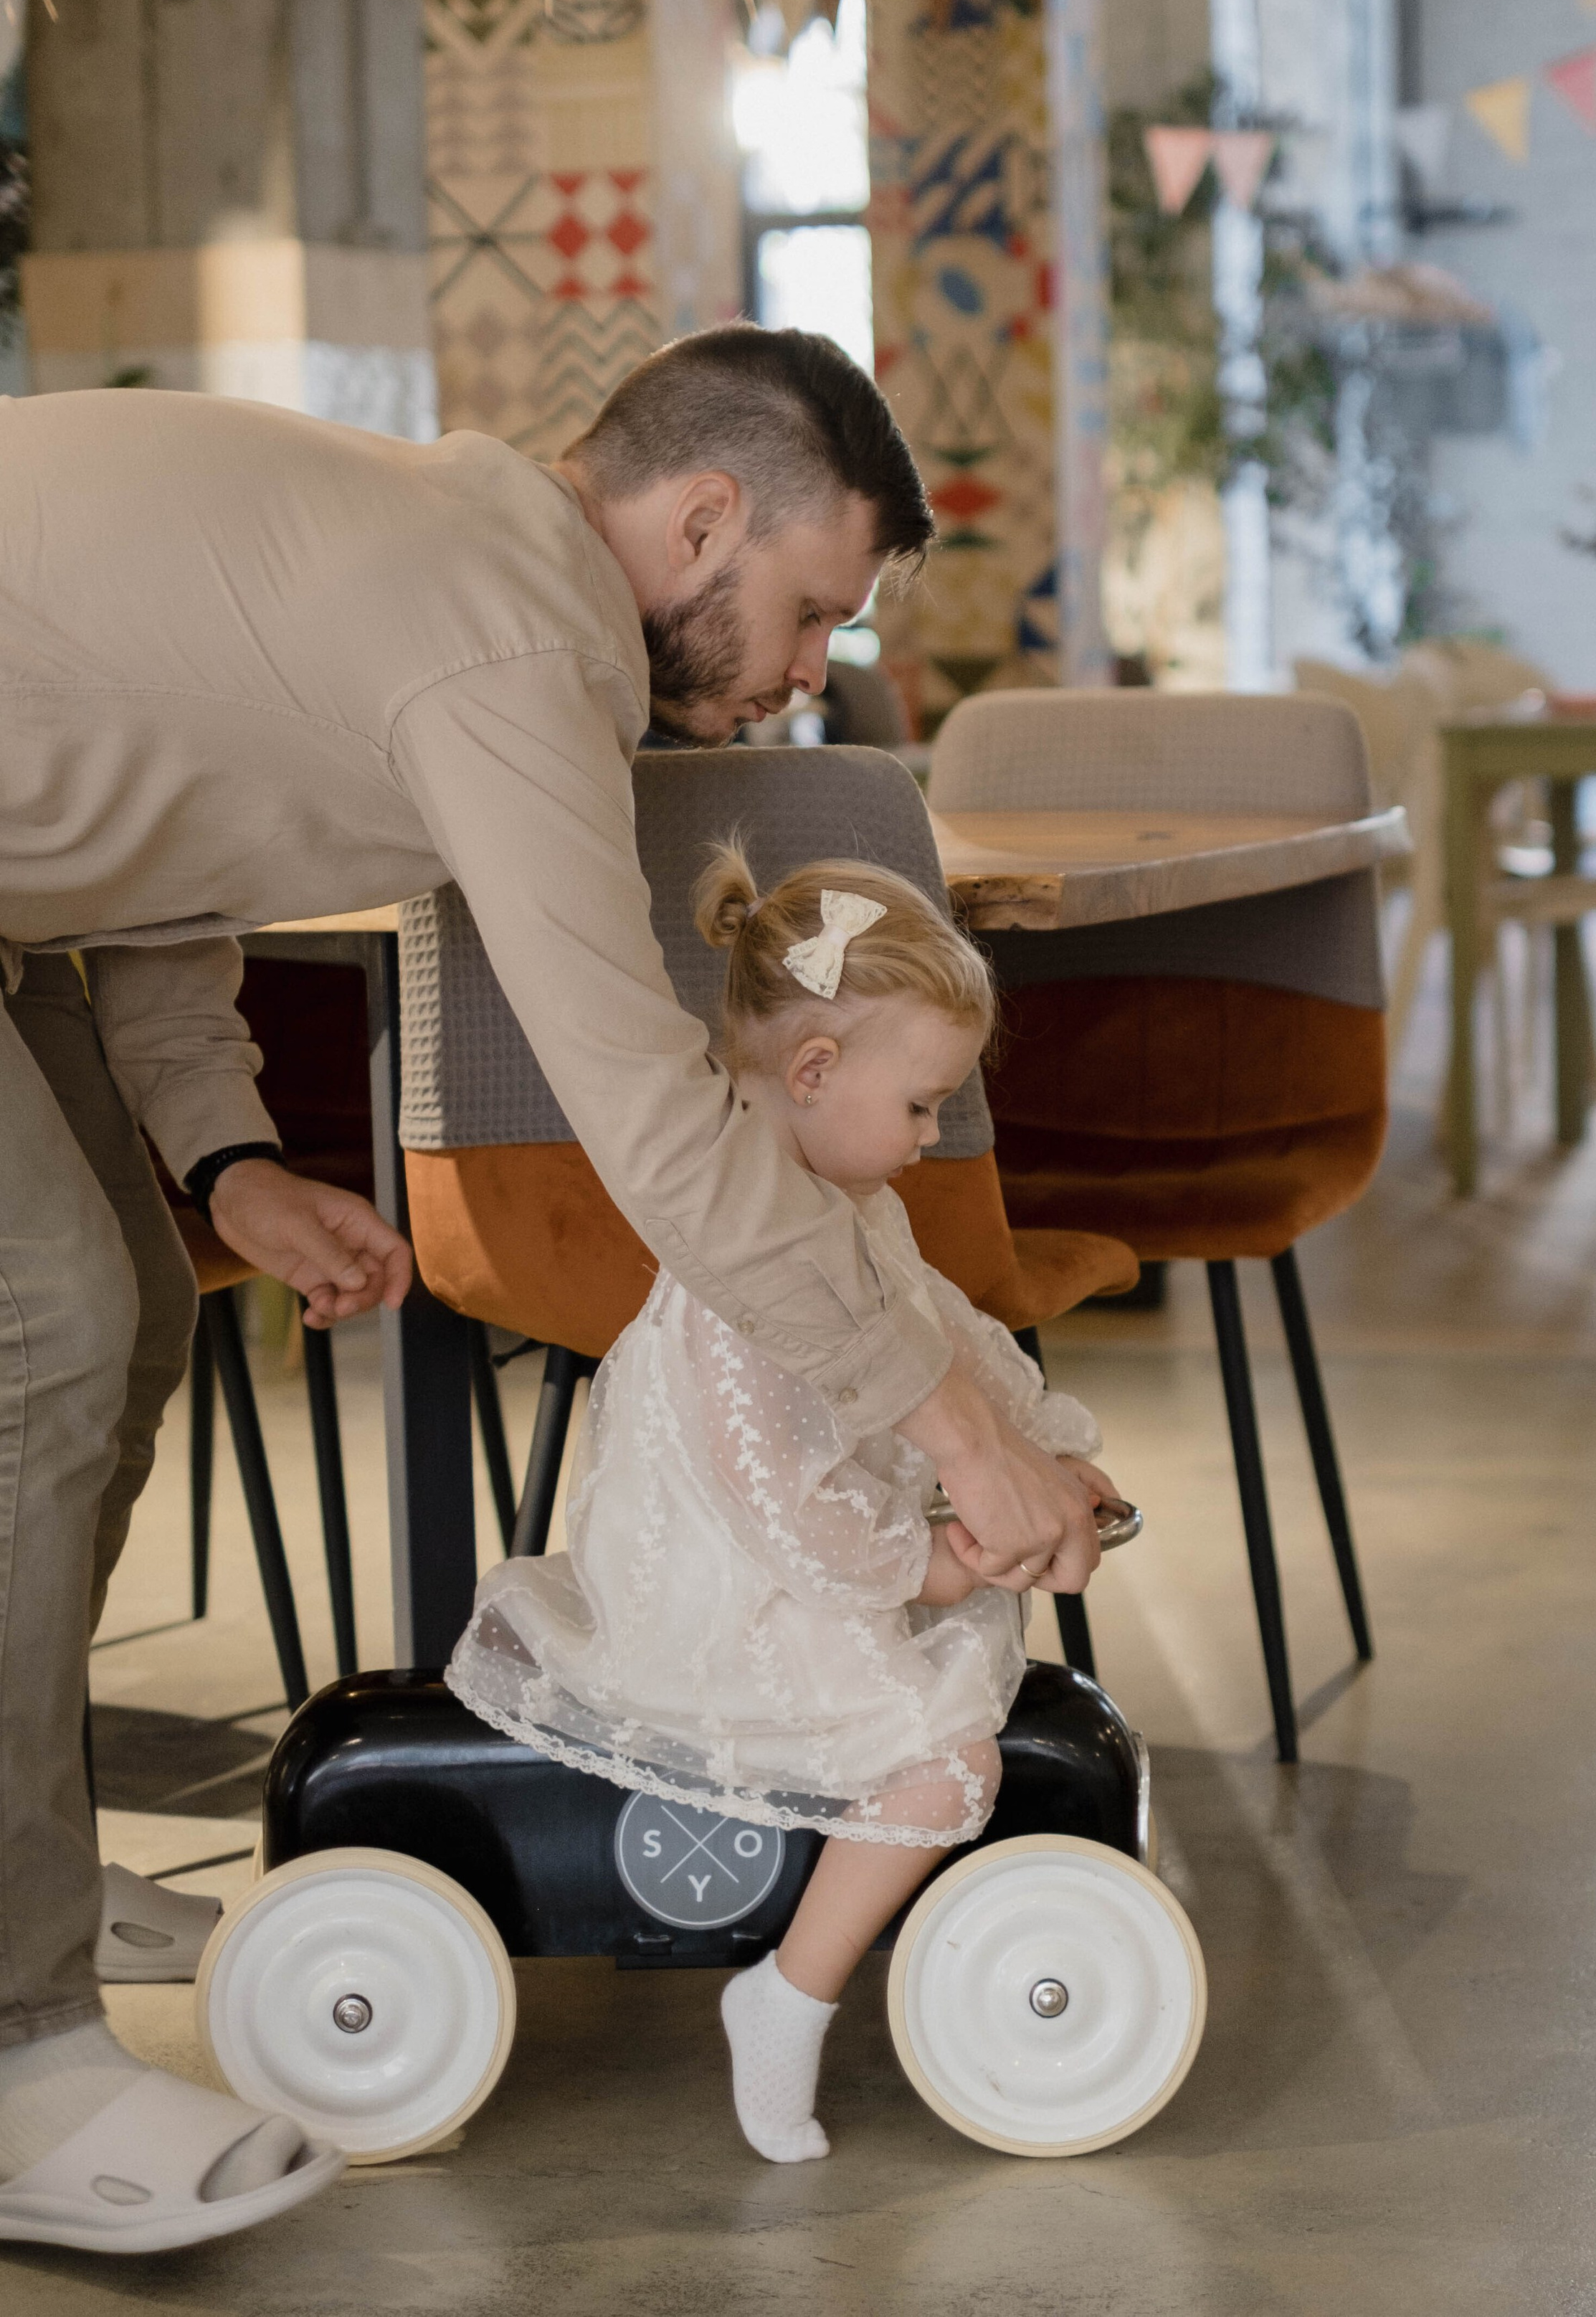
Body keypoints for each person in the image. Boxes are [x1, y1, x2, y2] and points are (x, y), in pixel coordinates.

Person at [0, 327, 1101, 2252]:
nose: (811, 669)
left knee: (134, 1318)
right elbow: (662, 1134)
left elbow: (155, 826)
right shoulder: (514, 650)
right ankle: (11, 2041)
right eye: (808, 608)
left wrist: (225, 1160)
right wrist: (950, 1429)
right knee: (46, 1339)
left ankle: (29, 1861)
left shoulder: (454, 561)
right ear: (697, 523)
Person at [449, 847, 1113, 2162]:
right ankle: (787, 1999)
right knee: (944, 1764)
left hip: (818, 1547)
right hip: (741, 1579)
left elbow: (949, 1338)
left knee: (957, 1677)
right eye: (922, 1105)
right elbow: (771, 1502)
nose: (934, 1137)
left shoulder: (850, 1202)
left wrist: (1042, 1445)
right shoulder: (734, 1289)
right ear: (812, 1074)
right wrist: (924, 1567)